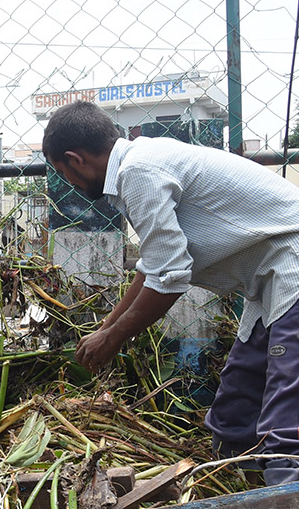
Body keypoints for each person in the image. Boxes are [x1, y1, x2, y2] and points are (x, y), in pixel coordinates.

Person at [42, 100, 299, 485]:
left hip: (291, 268)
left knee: (286, 420)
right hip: (266, 285)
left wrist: (113, 338)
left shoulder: (139, 171)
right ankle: (241, 499)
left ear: (75, 159)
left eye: (64, 173)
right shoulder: (139, 164)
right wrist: (104, 328)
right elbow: (153, 267)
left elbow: (170, 279)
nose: (70, 183)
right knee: (234, 412)